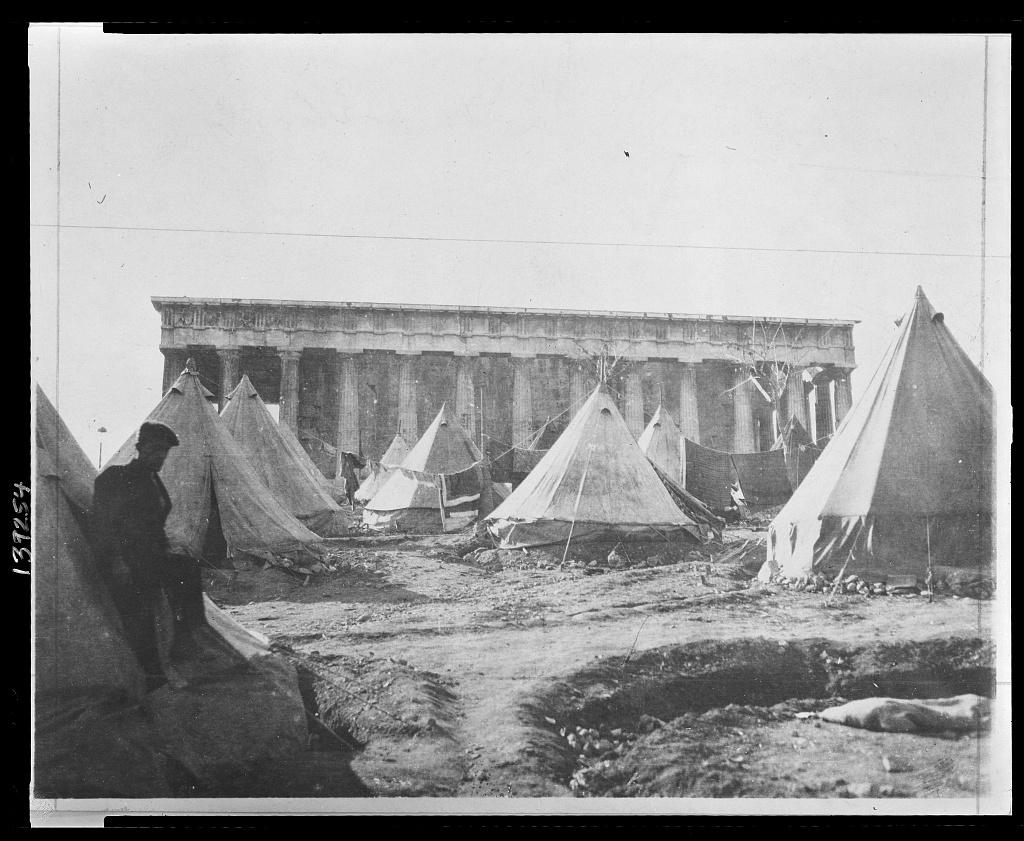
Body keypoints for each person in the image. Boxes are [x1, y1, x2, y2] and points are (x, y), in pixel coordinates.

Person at [92, 421, 192, 690]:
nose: (160, 456)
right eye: (154, 449)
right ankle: (151, 674)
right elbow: (104, 525)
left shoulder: (153, 479)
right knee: (140, 616)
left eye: (164, 451)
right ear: (139, 448)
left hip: (150, 558)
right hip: (127, 561)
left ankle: (180, 650)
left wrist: (166, 548)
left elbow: (155, 523)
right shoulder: (116, 478)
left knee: (186, 574)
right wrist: (117, 561)